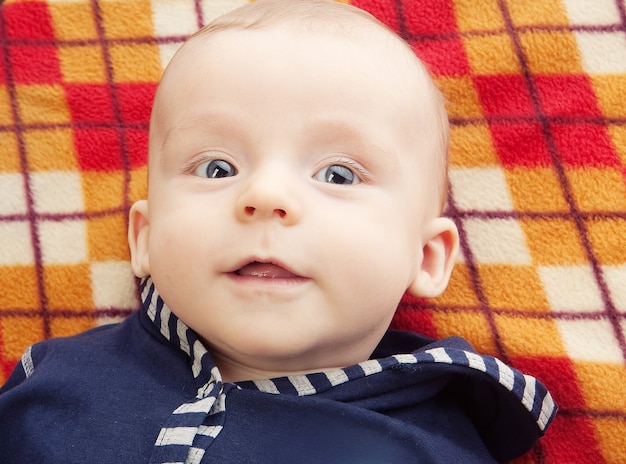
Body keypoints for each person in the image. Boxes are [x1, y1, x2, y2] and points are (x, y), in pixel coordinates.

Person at [0, 1, 556, 462]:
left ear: (426, 256)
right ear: (143, 237)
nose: (265, 197)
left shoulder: (431, 448)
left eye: (338, 174)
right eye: (217, 168)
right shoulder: (49, 381)